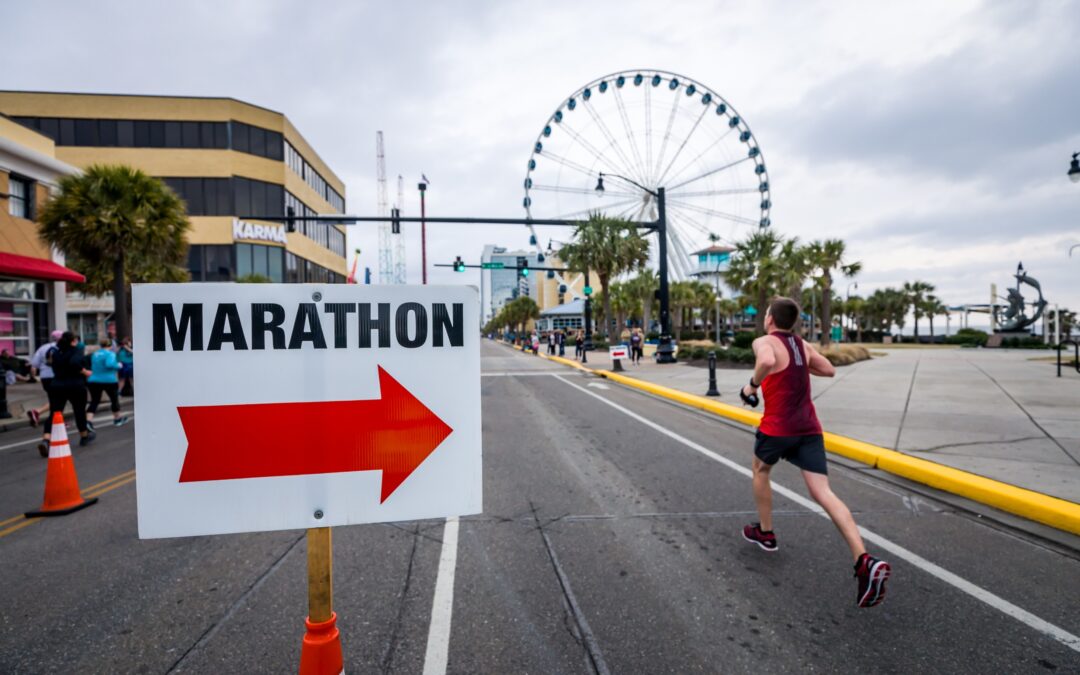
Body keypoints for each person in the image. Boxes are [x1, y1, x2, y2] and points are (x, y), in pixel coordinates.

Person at [740, 297, 890, 608]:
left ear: (769, 319)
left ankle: (766, 533)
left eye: (766, 314)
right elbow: (829, 369)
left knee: (760, 470)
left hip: (778, 428)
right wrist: (798, 368)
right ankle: (863, 560)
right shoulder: (802, 345)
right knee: (823, 492)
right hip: (809, 428)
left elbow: (767, 361)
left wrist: (752, 386)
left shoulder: (763, 341)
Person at [40, 331, 94, 453]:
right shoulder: (75, 351)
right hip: (75, 385)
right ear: (72, 341)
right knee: (79, 411)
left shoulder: (56, 352)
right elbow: (74, 363)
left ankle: (46, 439)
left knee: (54, 413)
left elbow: (49, 363)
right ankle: (84, 436)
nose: (77, 342)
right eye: (76, 340)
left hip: (57, 385)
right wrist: (85, 372)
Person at [86, 337, 128, 429]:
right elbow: (109, 365)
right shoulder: (110, 354)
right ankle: (117, 418)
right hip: (109, 380)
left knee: (95, 400)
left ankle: (88, 421)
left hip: (94, 379)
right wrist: (119, 365)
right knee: (114, 399)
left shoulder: (95, 354)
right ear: (110, 345)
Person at [28, 330, 63, 434]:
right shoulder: (61, 347)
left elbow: (35, 363)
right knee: (59, 400)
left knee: (54, 398)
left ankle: (39, 413)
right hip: (57, 376)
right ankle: (54, 421)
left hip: (45, 377)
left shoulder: (43, 347)